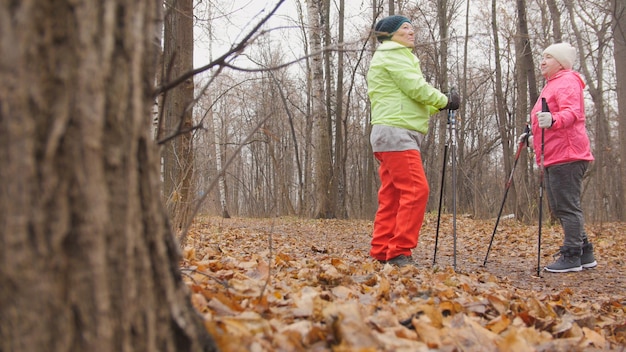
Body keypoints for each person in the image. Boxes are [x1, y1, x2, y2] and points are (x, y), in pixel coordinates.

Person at [366, 15, 459, 267]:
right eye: (405, 28)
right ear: (390, 34)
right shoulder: (393, 53)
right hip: (396, 132)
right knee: (417, 190)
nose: (411, 32)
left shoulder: (389, 55)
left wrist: (436, 106)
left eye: (411, 28)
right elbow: (415, 87)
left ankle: (382, 249)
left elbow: (409, 99)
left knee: (394, 194)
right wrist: (444, 100)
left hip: (390, 129)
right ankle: (399, 251)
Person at [530, 42, 596, 273]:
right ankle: (584, 252)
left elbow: (573, 112)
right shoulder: (552, 84)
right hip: (554, 154)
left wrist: (553, 120)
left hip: (568, 154)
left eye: (548, 57)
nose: (542, 61)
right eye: (542, 57)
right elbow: (544, 118)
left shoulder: (567, 80)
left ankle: (572, 256)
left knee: (566, 207)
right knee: (562, 206)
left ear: (561, 62)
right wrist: (533, 134)